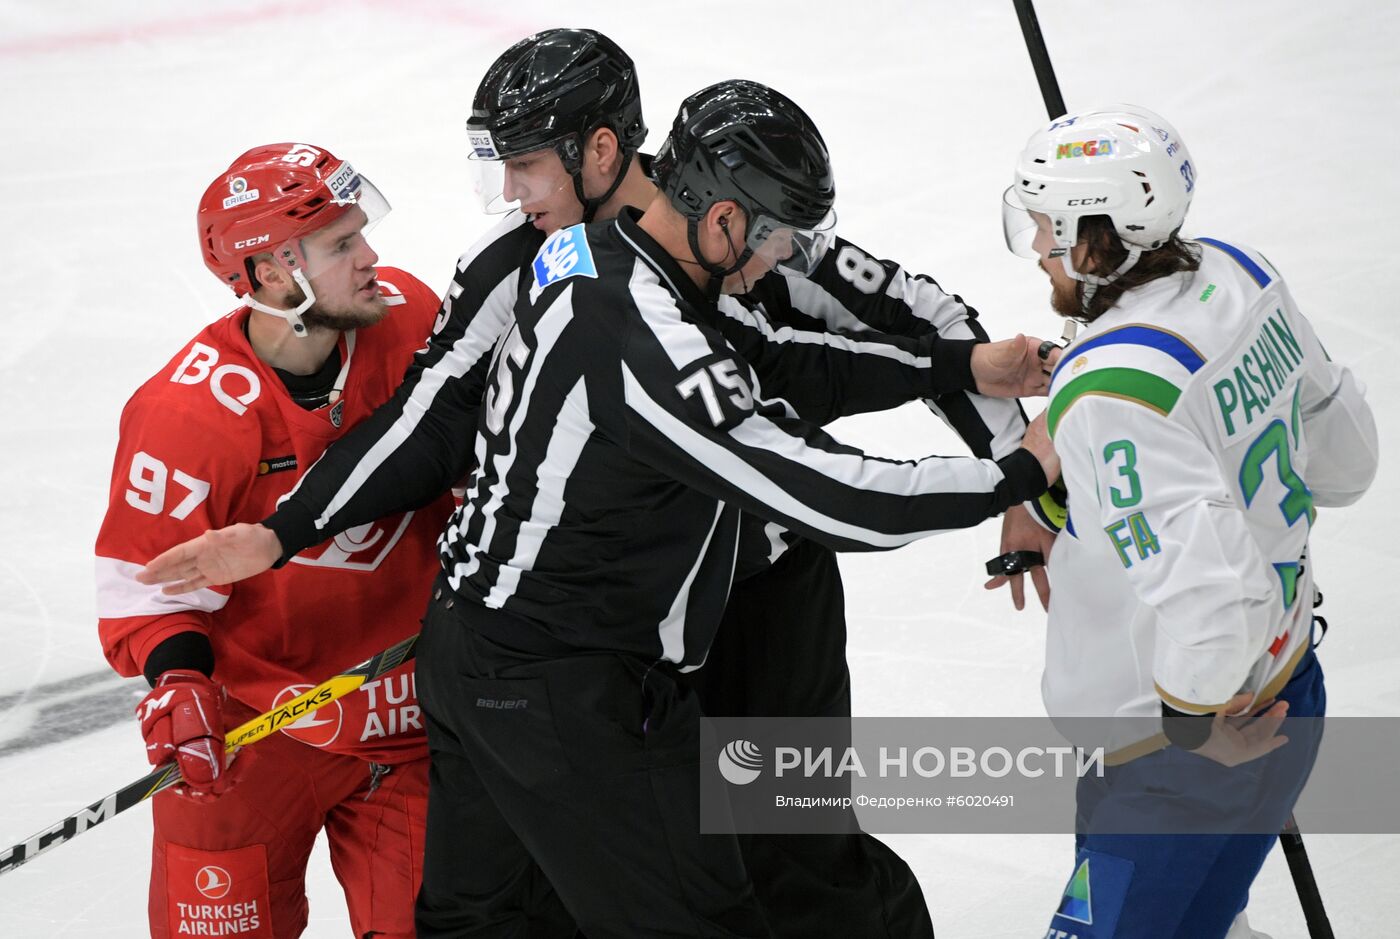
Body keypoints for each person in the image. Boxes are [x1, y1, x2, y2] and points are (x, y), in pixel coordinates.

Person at [139, 81, 1058, 937]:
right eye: (776, 238)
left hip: (558, 638)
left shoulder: (616, 256)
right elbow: (805, 479)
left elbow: (786, 357)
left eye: (526, 163)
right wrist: (1016, 475)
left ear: (609, 152)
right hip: (582, 668)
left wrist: (962, 375)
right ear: (727, 216)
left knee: (542, 905)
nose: (509, 191)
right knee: (699, 903)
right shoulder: (612, 304)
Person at [94, 143, 529, 938]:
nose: (373, 258)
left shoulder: (411, 323)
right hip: (253, 738)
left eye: (362, 232)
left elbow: (486, 474)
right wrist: (178, 683)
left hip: (410, 721)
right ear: (266, 274)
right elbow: (142, 587)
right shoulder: (186, 415)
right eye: (340, 244)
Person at [1001, 105, 1378, 939]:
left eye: (1045, 228)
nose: (1035, 250)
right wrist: (1050, 499)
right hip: (1290, 695)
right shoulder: (1238, 273)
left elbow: (1211, 599)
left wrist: (1189, 727)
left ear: (1095, 234)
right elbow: (1347, 460)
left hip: (1176, 756)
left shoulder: (1108, 390)